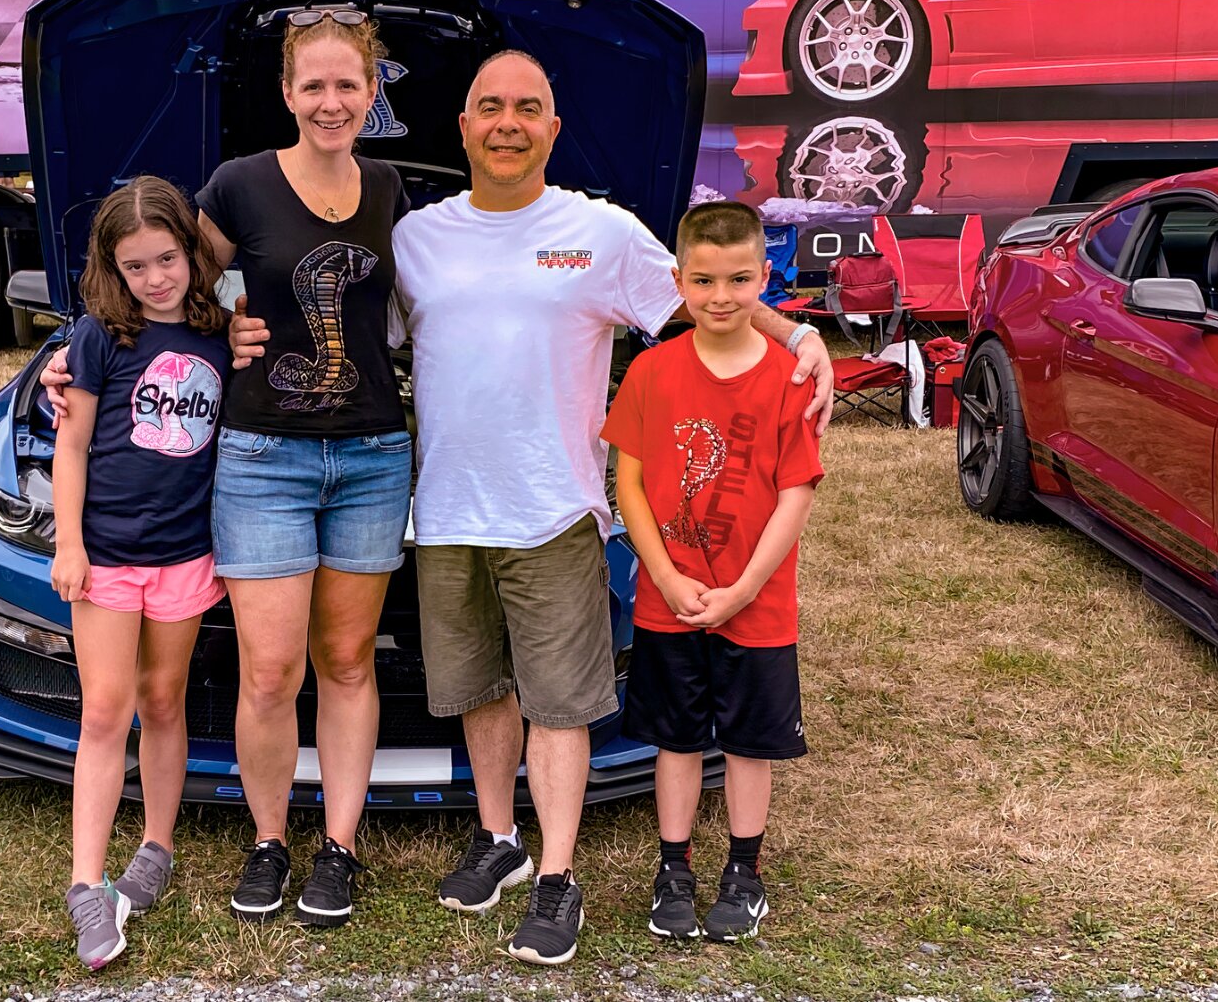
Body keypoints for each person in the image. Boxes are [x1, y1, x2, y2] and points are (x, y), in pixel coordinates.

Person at [229, 50, 834, 964]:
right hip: (446, 511)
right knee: (481, 688)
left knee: (558, 702)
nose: (507, 123)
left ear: (553, 128)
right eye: (490, 107)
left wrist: (796, 333)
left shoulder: (600, 232)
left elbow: (701, 296)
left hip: (553, 510)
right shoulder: (418, 237)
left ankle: (558, 877)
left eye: (527, 108)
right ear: (462, 127)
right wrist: (234, 322)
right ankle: (499, 838)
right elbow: (338, 316)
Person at [44, 6, 411, 929]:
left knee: (347, 660)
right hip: (262, 456)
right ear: (287, 92)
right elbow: (164, 291)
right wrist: (71, 360)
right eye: (313, 85)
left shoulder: (389, 187)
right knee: (270, 670)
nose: (331, 101)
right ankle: (269, 839)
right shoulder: (240, 184)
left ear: (373, 91)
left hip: (372, 452)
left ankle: (339, 848)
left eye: (348, 84)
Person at [601, 201, 822, 943]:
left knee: (751, 743)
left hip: (757, 603)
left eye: (737, 280)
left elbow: (795, 493)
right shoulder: (652, 370)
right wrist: (665, 578)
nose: (720, 296)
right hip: (672, 600)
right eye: (702, 281)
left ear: (765, 277)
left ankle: (744, 873)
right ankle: (674, 869)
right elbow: (630, 485)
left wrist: (745, 588)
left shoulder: (789, 377)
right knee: (677, 739)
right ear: (678, 282)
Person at [49, 176, 231, 970]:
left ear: (190, 252)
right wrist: (70, 544)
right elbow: (73, 445)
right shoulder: (99, 338)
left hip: (186, 554)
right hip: (109, 556)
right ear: (112, 269)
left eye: (166, 259)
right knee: (105, 709)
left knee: (162, 699)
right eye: (135, 266)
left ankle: (156, 845)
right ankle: (86, 884)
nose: (155, 278)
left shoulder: (220, 334)